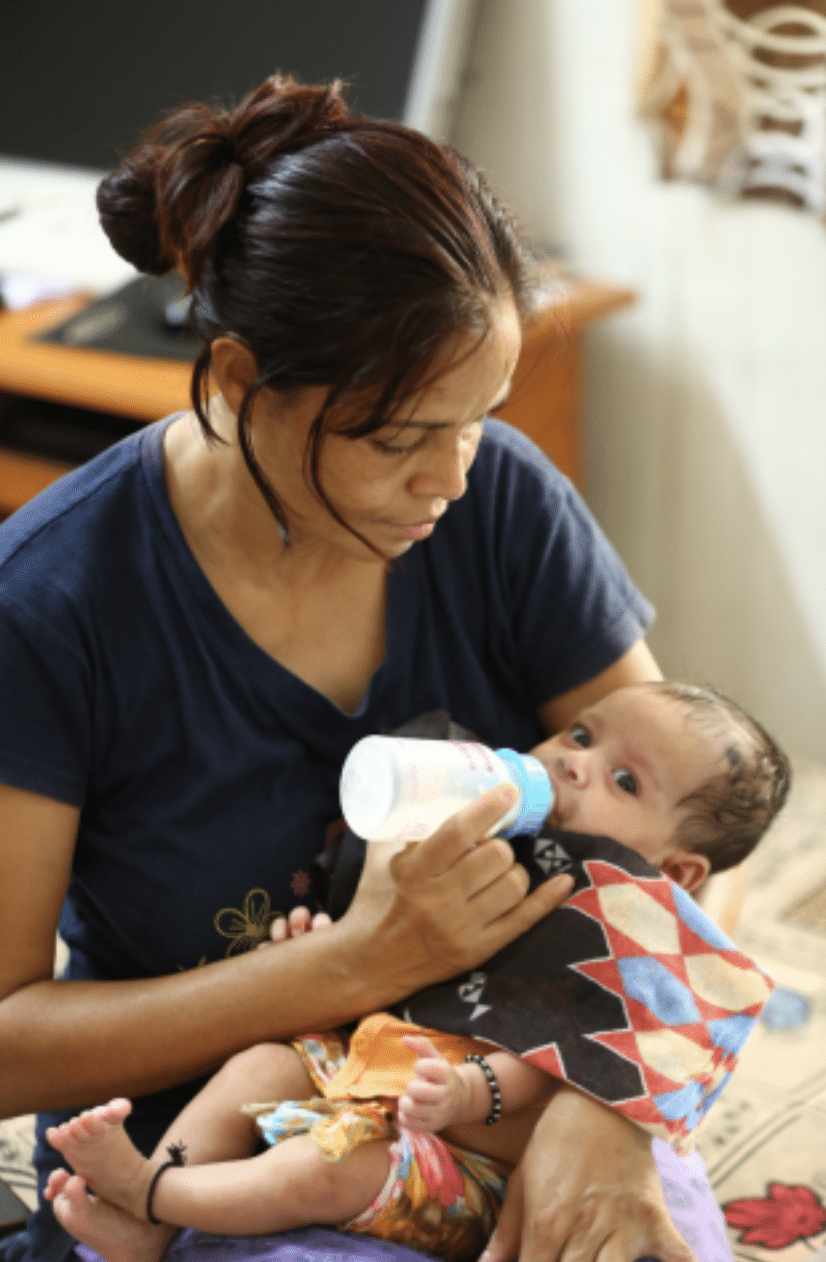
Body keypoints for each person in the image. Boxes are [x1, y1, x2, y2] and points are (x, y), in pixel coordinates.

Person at [0, 71, 757, 1262]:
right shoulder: (50, 605)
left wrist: (599, 1108)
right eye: (401, 437)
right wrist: (359, 963)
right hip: (219, 1151)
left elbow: (674, 825)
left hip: (508, 1085)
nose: (450, 476)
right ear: (246, 381)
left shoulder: (500, 501)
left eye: (479, 416)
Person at [42, 681, 790, 1262]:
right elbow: (387, 970)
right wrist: (310, 957)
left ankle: (156, 1195)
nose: (573, 760)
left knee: (326, 1171)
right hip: (366, 1074)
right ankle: (148, 1221)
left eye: (623, 781)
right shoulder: (478, 852)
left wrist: (471, 1090)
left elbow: (565, 1060)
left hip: (471, 1164)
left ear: (678, 870)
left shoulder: (627, 945)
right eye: (582, 733)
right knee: (256, 1066)